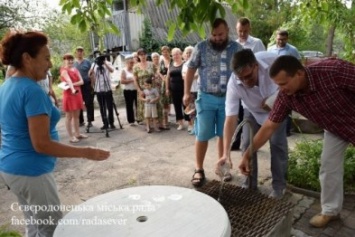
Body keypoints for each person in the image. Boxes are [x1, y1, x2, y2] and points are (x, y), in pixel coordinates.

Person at [0, 30, 110, 237]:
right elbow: (41, 144)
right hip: (32, 172)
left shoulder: (7, 86)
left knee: (33, 225)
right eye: (46, 58)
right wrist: (86, 152)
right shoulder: (32, 91)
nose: (50, 64)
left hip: (11, 169)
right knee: (52, 229)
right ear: (26, 58)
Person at [239, 55, 355, 227]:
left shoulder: (333, 71)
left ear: (299, 73)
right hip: (334, 129)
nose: (281, 89)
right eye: (278, 84)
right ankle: (330, 211)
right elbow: (269, 126)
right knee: (328, 166)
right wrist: (247, 154)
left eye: (283, 83)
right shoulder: (286, 96)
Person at [217, 49, 288, 198]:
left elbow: (291, 80)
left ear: (256, 65)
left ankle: (279, 187)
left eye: (248, 76)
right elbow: (230, 119)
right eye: (241, 78)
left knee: (277, 145)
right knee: (247, 144)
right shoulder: (234, 83)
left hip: (277, 108)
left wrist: (274, 98)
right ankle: (249, 184)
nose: (245, 81)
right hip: (252, 110)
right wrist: (226, 153)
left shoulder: (272, 61)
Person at [183, 18, 243, 187]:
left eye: (221, 34)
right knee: (202, 135)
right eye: (214, 35)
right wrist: (186, 92)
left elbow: (245, 69)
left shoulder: (237, 48)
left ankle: (223, 167)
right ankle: (199, 169)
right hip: (206, 98)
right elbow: (191, 69)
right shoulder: (201, 47)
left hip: (229, 98)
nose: (217, 38)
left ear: (228, 30)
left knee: (224, 135)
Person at [231, 17, 267, 151]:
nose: (242, 34)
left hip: (253, 86)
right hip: (237, 84)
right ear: (236, 30)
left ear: (249, 30)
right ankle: (236, 142)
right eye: (240, 31)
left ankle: (254, 141)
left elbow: (262, 63)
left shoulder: (257, 43)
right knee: (237, 114)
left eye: (245, 31)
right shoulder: (233, 45)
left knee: (251, 115)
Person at [268, 30, 301, 137]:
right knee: (274, 104)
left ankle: (286, 130)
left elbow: (298, 64)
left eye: (283, 39)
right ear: (276, 38)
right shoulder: (270, 49)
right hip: (273, 81)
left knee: (287, 103)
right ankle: (274, 126)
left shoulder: (292, 50)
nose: (280, 41)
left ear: (287, 39)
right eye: (279, 39)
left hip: (287, 81)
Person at [60, 53, 88, 143]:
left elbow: (82, 81)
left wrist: (72, 84)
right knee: (69, 116)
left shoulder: (75, 69)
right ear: (64, 61)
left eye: (71, 59)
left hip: (77, 94)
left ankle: (77, 134)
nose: (70, 61)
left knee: (76, 116)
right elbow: (68, 80)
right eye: (68, 59)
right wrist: (71, 85)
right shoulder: (64, 70)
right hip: (69, 94)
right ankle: (71, 136)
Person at [89, 53, 116, 130]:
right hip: (98, 89)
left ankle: (111, 123)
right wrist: (91, 71)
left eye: (101, 57)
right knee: (102, 107)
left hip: (107, 88)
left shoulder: (108, 63)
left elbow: (112, 70)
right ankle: (105, 123)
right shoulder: (94, 64)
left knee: (110, 107)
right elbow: (89, 74)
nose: (100, 59)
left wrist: (105, 63)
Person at [133, 48, 159, 125]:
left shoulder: (151, 64)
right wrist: (139, 90)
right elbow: (135, 79)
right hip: (142, 89)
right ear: (138, 56)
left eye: (144, 54)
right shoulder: (135, 66)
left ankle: (155, 123)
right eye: (141, 55)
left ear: (146, 55)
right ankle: (147, 125)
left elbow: (156, 74)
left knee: (153, 104)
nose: (143, 56)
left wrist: (155, 78)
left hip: (152, 88)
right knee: (145, 106)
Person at [166, 48, 190, 130]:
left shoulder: (185, 64)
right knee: (176, 106)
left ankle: (190, 123)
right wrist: (167, 88)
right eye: (173, 54)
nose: (175, 56)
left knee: (186, 106)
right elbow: (167, 77)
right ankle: (180, 123)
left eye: (177, 54)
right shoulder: (171, 64)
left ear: (181, 54)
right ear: (172, 56)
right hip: (174, 90)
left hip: (184, 89)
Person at [74, 46, 95, 128]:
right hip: (77, 86)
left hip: (87, 85)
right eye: (78, 51)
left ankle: (90, 120)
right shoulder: (74, 63)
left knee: (89, 103)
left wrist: (92, 85)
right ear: (76, 53)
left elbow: (92, 74)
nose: (79, 52)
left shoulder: (87, 62)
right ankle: (80, 121)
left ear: (83, 52)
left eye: (81, 51)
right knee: (78, 103)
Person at [182, 46, 197, 134]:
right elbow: (184, 77)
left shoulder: (196, 63)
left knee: (198, 109)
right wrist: (191, 76)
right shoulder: (185, 65)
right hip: (189, 90)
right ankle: (194, 127)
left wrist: (189, 76)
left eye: (190, 52)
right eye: (187, 53)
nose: (188, 54)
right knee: (191, 110)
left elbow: (198, 75)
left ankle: (199, 127)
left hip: (197, 89)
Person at [120, 55, 137, 125]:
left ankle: (139, 119)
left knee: (137, 105)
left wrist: (132, 80)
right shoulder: (124, 70)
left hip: (135, 90)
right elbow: (122, 81)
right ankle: (131, 120)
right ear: (127, 63)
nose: (132, 64)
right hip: (128, 90)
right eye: (130, 63)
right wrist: (131, 80)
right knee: (129, 106)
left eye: (132, 63)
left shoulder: (135, 69)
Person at [159, 46, 172, 129]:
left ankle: (180, 120)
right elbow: (159, 71)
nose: (165, 53)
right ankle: (165, 121)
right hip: (164, 83)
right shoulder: (162, 61)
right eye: (163, 52)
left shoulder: (173, 60)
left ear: (169, 52)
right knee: (165, 102)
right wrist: (163, 78)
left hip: (172, 81)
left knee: (173, 101)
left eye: (166, 51)